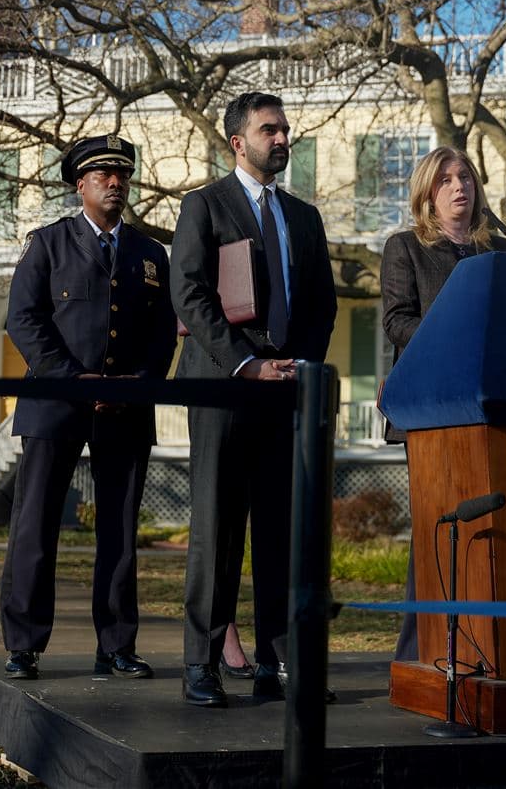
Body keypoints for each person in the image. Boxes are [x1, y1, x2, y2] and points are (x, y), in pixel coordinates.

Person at [170, 92, 338, 707]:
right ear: (238, 142)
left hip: (286, 391)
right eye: (270, 130)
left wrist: (297, 366)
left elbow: (322, 304)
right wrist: (246, 362)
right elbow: (189, 295)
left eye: (287, 129)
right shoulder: (204, 206)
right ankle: (202, 664)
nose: (283, 138)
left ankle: (277, 662)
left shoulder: (305, 217)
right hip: (224, 386)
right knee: (216, 527)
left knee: (280, 530)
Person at [0, 135, 176, 681]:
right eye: (103, 174)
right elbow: (24, 321)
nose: (115, 183)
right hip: (56, 403)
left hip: (125, 407)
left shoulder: (150, 255)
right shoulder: (48, 244)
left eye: (122, 174)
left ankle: (117, 645)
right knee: (36, 524)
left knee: (120, 531)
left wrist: (135, 384)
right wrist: (75, 380)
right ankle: (24, 644)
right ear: (81, 184)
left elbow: (163, 332)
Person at [380, 145, 506, 662]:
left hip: (495, 414)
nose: (458, 186)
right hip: (432, 412)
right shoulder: (406, 248)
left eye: (464, 176)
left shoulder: (502, 251)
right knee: (436, 531)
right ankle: (417, 656)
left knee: (491, 535)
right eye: (445, 179)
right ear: (427, 191)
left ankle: (485, 649)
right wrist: (457, 339)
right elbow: (397, 320)